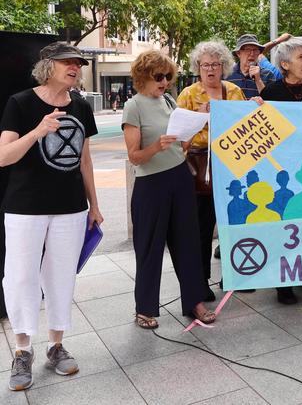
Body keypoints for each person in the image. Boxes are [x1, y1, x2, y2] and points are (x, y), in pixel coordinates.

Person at [0, 42, 103, 391]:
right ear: (48, 66)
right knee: (20, 277)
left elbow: (85, 160)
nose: (75, 67)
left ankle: (56, 345)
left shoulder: (81, 106)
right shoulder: (21, 103)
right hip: (25, 206)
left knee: (61, 276)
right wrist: (38, 131)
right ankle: (22, 349)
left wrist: (95, 205)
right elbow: (4, 157)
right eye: (67, 62)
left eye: (78, 63)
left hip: (71, 207)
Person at [122, 50, 216, 330]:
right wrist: (156, 146)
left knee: (187, 243)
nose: (164, 81)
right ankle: (145, 308)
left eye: (167, 76)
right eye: (158, 76)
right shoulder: (133, 106)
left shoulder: (169, 101)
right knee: (150, 247)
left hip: (179, 177)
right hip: (151, 183)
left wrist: (195, 122)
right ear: (142, 77)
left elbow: (181, 145)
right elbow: (134, 156)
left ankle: (195, 302)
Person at [176, 40, 251, 300]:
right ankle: (201, 281)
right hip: (200, 165)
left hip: (232, 163)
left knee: (234, 221)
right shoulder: (188, 94)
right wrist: (199, 115)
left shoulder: (234, 91)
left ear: (224, 67)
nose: (210, 70)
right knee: (202, 226)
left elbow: (247, 125)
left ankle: (235, 276)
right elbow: (179, 137)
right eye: (205, 64)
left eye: (215, 64)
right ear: (197, 67)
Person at [260, 39, 302, 303]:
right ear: (285, 64)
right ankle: (283, 283)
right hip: (283, 168)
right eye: (301, 58)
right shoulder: (271, 93)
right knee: (285, 224)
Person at [226, 34, 276, 98]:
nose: (252, 54)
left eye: (255, 50)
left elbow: (272, 102)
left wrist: (258, 80)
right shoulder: (227, 74)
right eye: (247, 50)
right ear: (238, 53)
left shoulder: (268, 75)